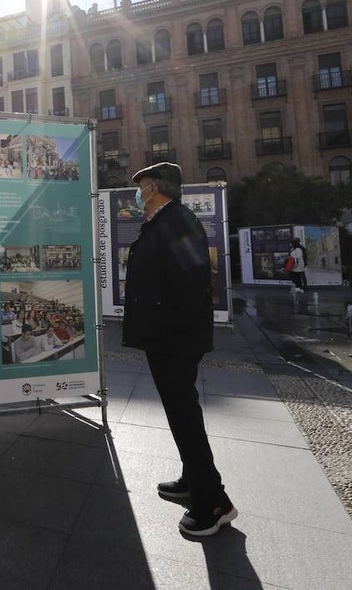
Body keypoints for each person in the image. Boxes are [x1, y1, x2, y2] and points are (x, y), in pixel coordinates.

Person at [122, 162, 235, 538]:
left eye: (140, 187)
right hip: (167, 336)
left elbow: (191, 284)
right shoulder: (166, 220)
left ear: (152, 187)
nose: (137, 195)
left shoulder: (179, 220)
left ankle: (214, 502)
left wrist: (170, 334)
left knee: (184, 416)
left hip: (174, 339)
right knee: (180, 412)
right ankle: (192, 480)